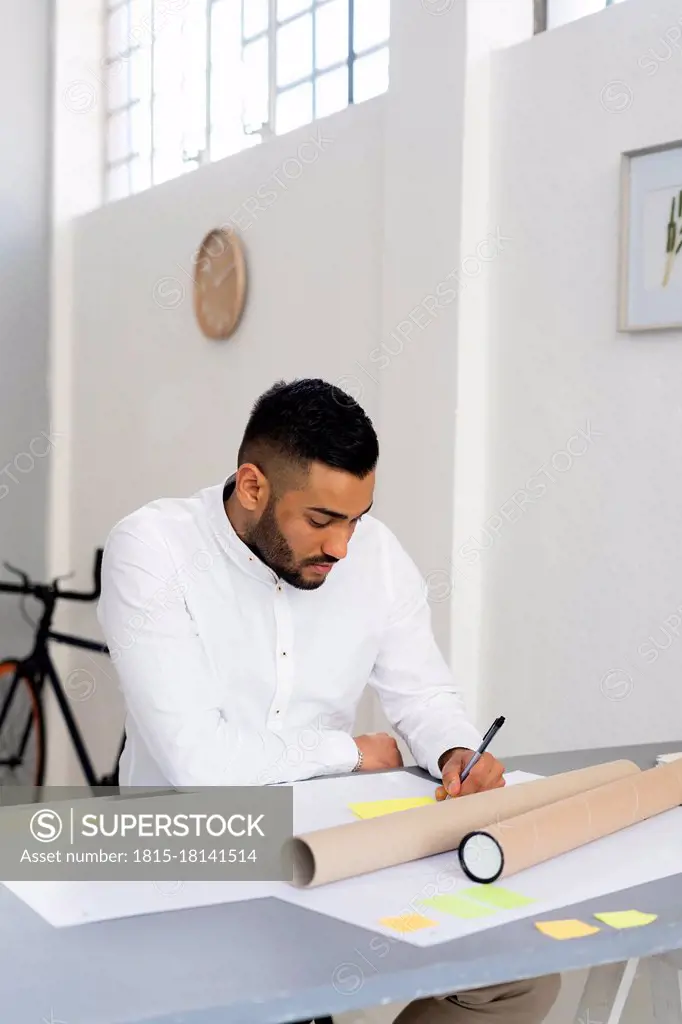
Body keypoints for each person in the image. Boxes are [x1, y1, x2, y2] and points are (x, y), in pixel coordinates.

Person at [97, 377, 560, 1024]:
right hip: (185, 868)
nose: (343, 546)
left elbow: (423, 692)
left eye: (356, 519)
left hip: (329, 857)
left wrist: (454, 748)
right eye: (321, 520)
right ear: (253, 486)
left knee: (516, 973)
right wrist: (349, 752)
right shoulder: (152, 550)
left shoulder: (376, 556)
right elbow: (199, 765)